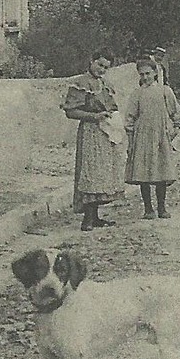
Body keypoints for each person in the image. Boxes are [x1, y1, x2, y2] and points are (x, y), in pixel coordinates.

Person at [63, 52, 123, 232]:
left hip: (105, 132)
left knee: (101, 173)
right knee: (90, 172)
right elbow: (70, 111)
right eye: (100, 64)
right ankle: (87, 219)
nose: (102, 69)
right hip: (90, 131)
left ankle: (95, 216)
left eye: (106, 67)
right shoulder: (81, 83)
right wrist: (93, 116)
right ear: (91, 61)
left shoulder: (105, 84)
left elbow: (112, 106)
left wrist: (111, 116)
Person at [125, 56, 180, 220]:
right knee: (143, 174)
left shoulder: (165, 91)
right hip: (142, 138)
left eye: (147, 73)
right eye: (141, 74)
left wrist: (172, 132)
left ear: (155, 72)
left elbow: (178, 115)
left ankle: (162, 207)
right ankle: (148, 209)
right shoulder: (137, 94)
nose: (145, 77)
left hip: (161, 137)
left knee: (161, 172)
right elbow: (130, 119)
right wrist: (131, 142)